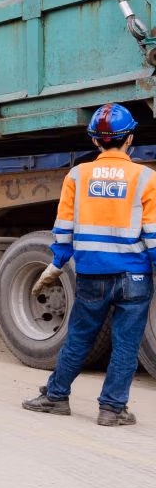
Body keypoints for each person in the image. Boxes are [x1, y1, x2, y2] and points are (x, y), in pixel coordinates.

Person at [24, 102, 156, 427]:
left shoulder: (77, 176)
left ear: (95, 140)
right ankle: (112, 409)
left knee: (80, 337)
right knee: (126, 344)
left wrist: (57, 263)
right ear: (130, 139)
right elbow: (153, 234)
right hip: (135, 277)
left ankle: (56, 397)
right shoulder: (146, 178)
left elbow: (64, 227)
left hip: (92, 274)